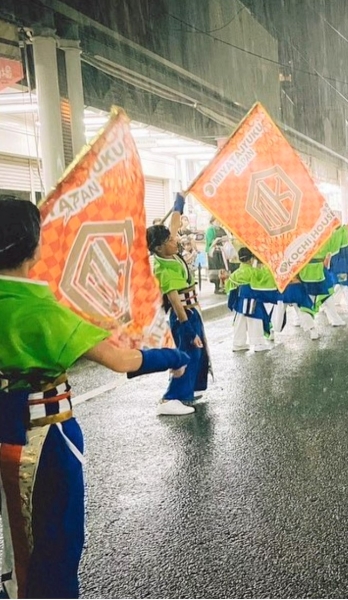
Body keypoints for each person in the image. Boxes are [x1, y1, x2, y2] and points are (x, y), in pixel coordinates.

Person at [0, 197, 189, 598]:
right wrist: (174, 355)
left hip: (4, 429)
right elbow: (121, 360)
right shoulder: (39, 308)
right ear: (33, 247)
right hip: (45, 438)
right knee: (55, 540)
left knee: (14, 534)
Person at [147, 194, 211, 416]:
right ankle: (170, 397)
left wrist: (179, 203)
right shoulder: (164, 268)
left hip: (191, 311)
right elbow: (175, 302)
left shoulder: (169, 253)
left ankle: (187, 392)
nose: (176, 241)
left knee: (196, 354)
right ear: (158, 248)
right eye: (170, 241)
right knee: (186, 353)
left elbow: (174, 225)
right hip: (183, 315)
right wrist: (188, 328)